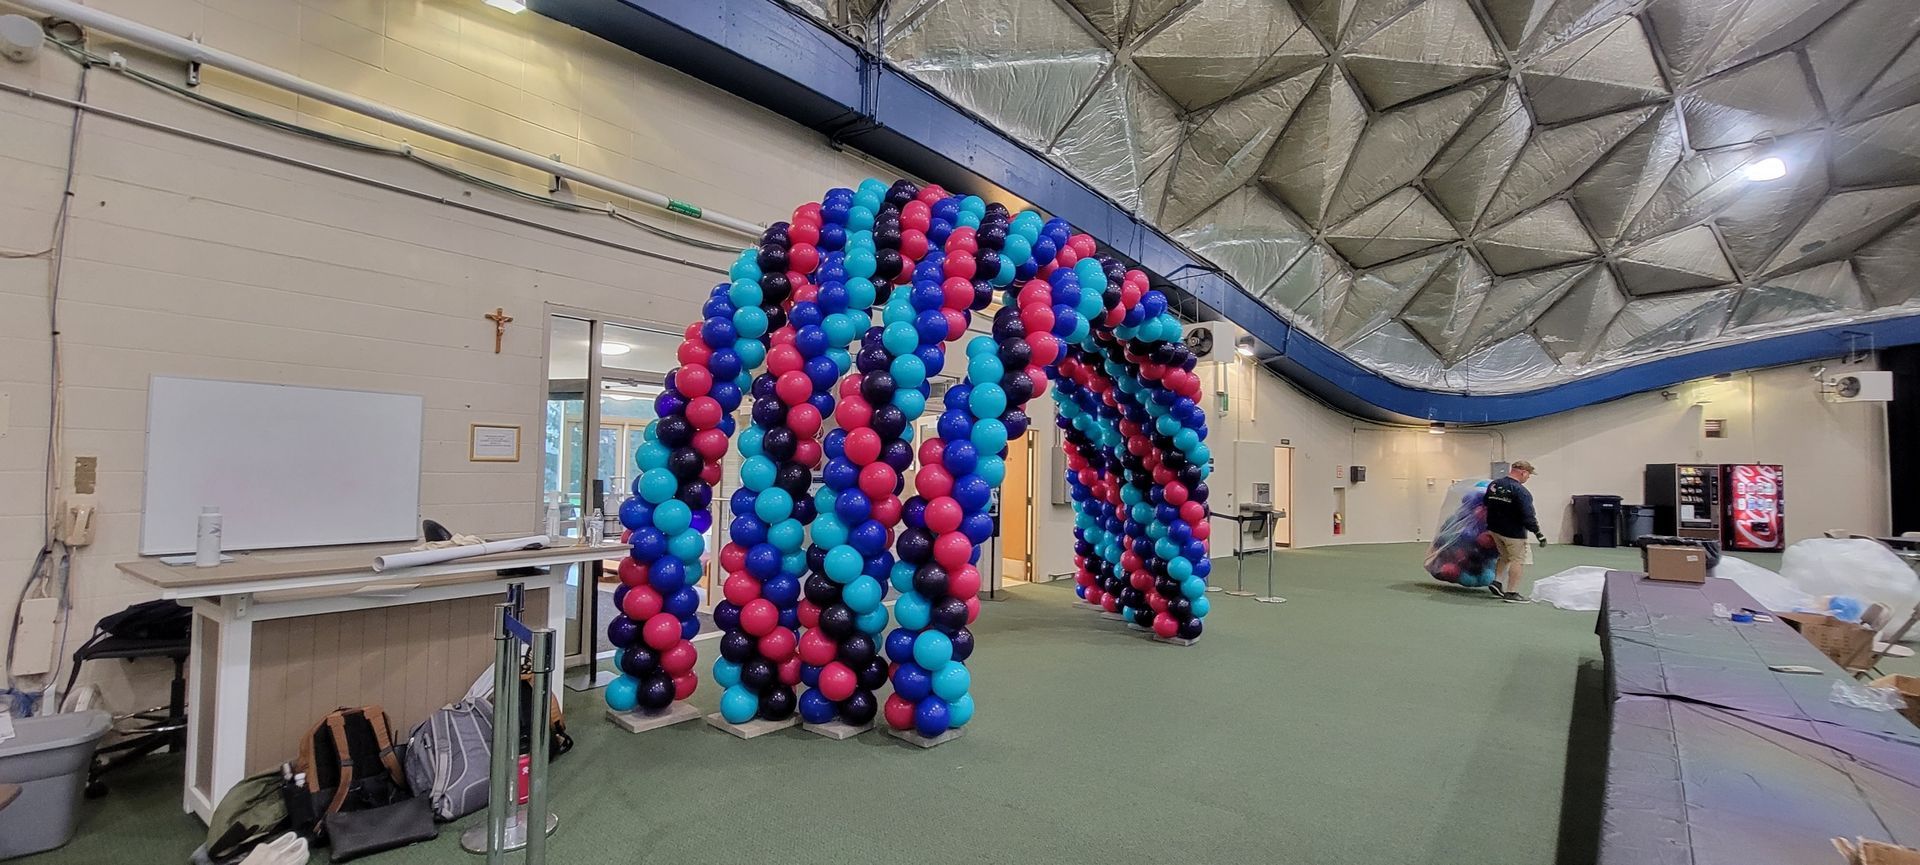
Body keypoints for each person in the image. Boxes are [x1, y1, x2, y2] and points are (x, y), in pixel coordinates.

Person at [1483, 460, 1546, 602]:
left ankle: (1497, 582)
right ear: (1523, 472)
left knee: (1504, 556)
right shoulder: (1521, 492)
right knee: (1517, 560)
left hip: (1495, 529)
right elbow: (1528, 516)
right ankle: (1512, 593)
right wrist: (1538, 533)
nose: (1528, 478)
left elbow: (1486, 502)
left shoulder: (1494, 484)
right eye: (1528, 475)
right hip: (1513, 533)